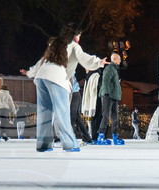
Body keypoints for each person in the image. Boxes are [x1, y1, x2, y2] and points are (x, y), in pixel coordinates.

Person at [24, 23, 106, 153]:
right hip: (56, 78)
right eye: (79, 35)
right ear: (75, 35)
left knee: (44, 111)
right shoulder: (74, 45)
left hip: (41, 77)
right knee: (62, 112)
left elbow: (41, 62)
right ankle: (69, 143)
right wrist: (98, 62)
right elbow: (83, 58)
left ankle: (43, 144)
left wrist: (29, 72)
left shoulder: (55, 44)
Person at [96, 53, 124, 145]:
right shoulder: (109, 69)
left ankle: (115, 136)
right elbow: (105, 80)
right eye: (119, 59)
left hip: (114, 96)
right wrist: (107, 93)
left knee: (115, 116)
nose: (120, 60)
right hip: (108, 95)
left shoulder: (114, 69)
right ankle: (101, 136)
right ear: (114, 59)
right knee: (106, 116)